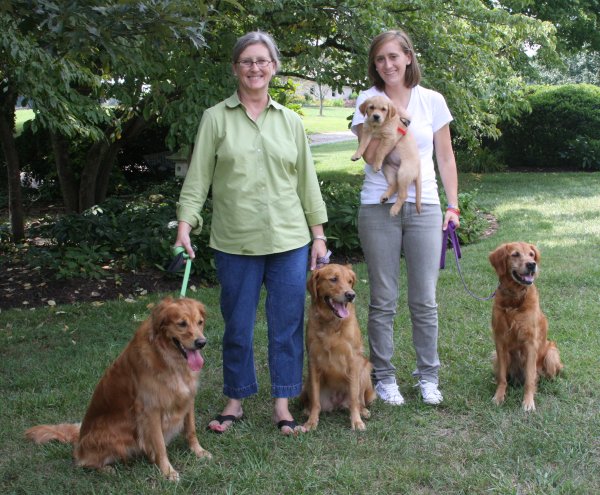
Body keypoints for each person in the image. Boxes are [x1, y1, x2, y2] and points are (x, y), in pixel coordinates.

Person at [174, 31, 328, 435]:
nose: (255, 68)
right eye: (247, 61)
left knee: (287, 326)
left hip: (289, 242)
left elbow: (307, 182)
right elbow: (198, 179)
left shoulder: (290, 121)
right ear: (235, 69)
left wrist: (319, 235)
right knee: (237, 326)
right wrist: (184, 226)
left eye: (262, 61)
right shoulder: (215, 118)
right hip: (235, 242)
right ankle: (235, 400)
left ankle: (283, 403)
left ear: (274, 67)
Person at [351, 29, 460, 406]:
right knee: (383, 298)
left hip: (425, 204)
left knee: (424, 299)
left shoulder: (431, 101)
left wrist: (452, 204)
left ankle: (428, 377)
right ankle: (384, 378)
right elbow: (368, 155)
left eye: (394, 57)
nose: (388, 65)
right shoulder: (368, 102)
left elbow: (444, 157)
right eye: (380, 59)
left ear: (408, 58)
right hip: (377, 205)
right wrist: (391, 133)